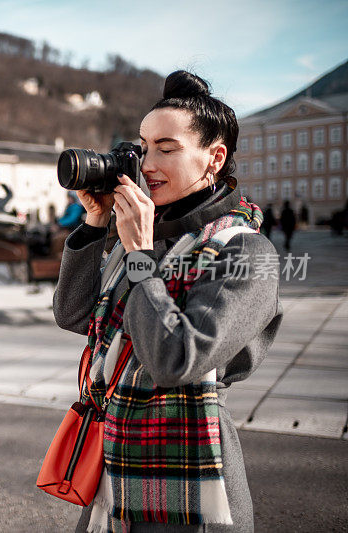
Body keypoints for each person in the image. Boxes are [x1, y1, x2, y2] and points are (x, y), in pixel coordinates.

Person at [53, 71, 282, 533]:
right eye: (144, 147)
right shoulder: (149, 232)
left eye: (167, 148)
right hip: (115, 462)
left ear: (213, 158)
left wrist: (139, 255)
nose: (147, 163)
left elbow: (175, 359)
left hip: (190, 469)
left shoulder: (247, 252)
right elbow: (74, 314)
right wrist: (96, 225)